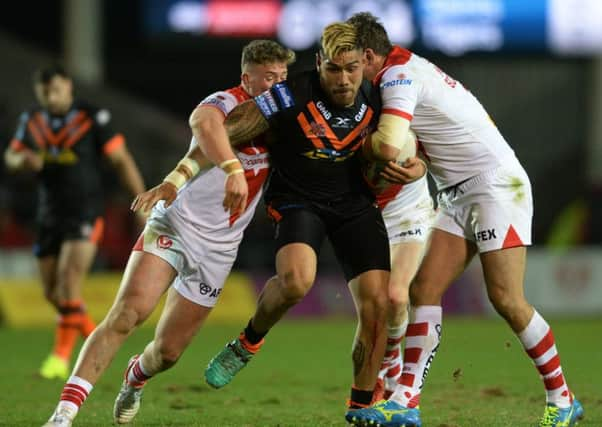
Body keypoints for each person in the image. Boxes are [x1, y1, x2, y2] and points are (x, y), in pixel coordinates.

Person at [344, 12, 584, 427]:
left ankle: (562, 400)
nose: (347, 73)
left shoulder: (398, 77)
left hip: (495, 186)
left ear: (368, 55)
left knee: (506, 299)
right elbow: (416, 143)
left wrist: (358, 152)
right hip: (457, 191)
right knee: (424, 289)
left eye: (351, 62)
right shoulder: (404, 69)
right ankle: (406, 402)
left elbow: (386, 148)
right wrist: (418, 166)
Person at [41, 40, 294, 427]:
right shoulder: (224, 102)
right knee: (127, 314)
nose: (277, 85)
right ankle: (64, 415)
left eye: (282, 77)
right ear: (247, 78)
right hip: (176, 224)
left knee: (169, 352)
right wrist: (231, 169)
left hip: (219, 248)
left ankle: (135, 377)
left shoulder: (283, 117)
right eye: (268, 78)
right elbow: (205, 126)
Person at [204, 22, 426, 413]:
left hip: (354, 203)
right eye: (334, 69)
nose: (343, 80)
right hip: (298, 199)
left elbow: (420, 151)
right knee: (296, 282)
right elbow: (232, 128)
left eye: (352, 68)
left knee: (378, 304)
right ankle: (249, 340)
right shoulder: (289, 95)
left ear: (364, 64)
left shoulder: (380, 99)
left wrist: (419, 170)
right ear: (319, 63)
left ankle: (360, 406)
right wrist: (198, 160)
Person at [3, 64, 146, 380]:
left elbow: (121, 159)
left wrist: (139, 201)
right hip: (48, 214)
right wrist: (22, 160)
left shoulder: (92, 117)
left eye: (55, 91)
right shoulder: (33, 119)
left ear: (68, 86)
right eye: (44, 93)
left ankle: (59, 359)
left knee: (69, 285)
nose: (50, 98)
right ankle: (96, 337)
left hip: (85, 211)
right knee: (53, 294)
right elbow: (11, 156)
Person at [350, 128, 434, 402]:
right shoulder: (347, 117)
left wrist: (421, 166)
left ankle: (389, 363)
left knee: (397, 297)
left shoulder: (406, 102)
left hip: (408, 214)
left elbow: (437, 152)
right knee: (373, 312)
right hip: (362, 217)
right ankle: (388, 364)